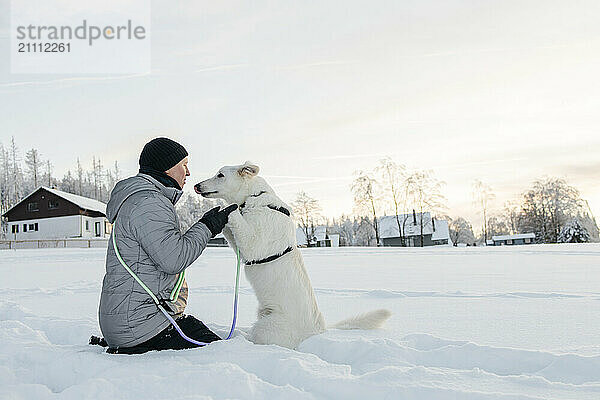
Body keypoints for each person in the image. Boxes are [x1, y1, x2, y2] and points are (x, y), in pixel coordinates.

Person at [93, 137, 237, 354]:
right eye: (184, 165)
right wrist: (207, 226)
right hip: (142, 327)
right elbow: (174, 260)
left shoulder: (139, 199)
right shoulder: (148, 201)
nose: (188, 173)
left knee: (199, 333)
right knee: (221, 353)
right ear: (168, 169)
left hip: (131, 321)